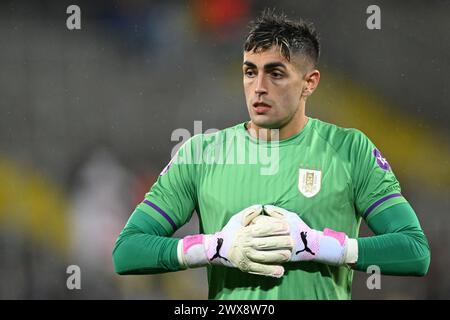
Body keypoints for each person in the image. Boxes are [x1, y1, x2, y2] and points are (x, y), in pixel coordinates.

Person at [112, 10, 430, 299]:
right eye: (250, 72)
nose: (259, 87)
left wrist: (323, 246)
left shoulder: (349, 150)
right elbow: (127, 251)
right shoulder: (201, 153)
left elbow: (414, 251)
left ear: (309, 83)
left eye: (275, 74)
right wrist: (215, 248)